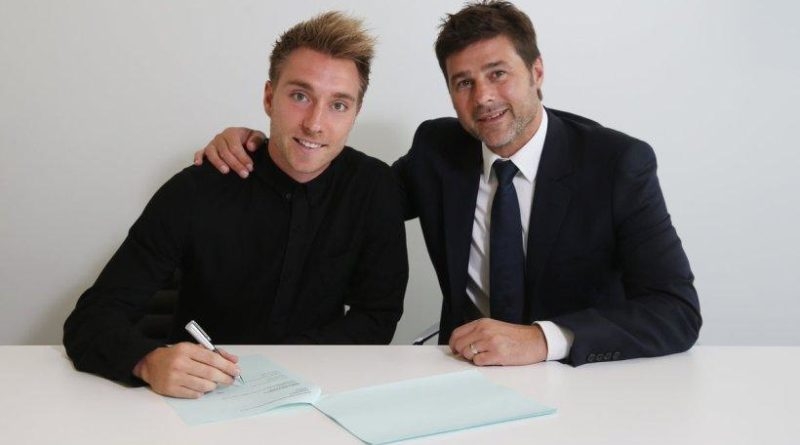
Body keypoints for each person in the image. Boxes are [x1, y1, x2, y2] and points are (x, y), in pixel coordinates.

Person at [196, 1, 701, 367]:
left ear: (537, 71)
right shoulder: (439, 150)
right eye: (464, 82)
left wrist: (543, 339)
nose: (483, 97)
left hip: (583, 381)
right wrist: (263, 145)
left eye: (498, 73)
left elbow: (676, 310)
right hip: (462, 372)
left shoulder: (617, 164)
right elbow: (353, 198)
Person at [63, 11, 408, 398]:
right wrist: (147, 360)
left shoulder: (374, 188)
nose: (314, 123)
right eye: (300, 96)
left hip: (317, 394)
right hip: (200, 396)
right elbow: (91, 319)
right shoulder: (196, 189)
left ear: (355, 113)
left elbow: (377, 316)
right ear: (269, 98)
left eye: (338, 105)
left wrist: (287, 367)